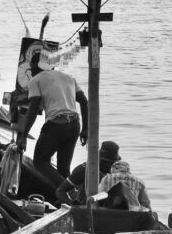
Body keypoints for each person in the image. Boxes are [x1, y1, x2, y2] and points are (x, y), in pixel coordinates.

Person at [16, 52, 88, 182]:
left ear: (35, 65)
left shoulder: (35, 80)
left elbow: (33, 109)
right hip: (74, 125)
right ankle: (66, 199)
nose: (30, 70)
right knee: (63, 168)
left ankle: (68, 191)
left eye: (31, 67)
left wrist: (24, 136)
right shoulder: (68, 77)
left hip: (56, 124)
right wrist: (86, 129)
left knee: (40, 161)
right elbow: (84, 101)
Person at [56, 140, 121, 205]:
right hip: (85, 207)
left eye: (112, 163)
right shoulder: (83, 169)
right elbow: (60, 191)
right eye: (105, 162)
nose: (108, 166)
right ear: (97, 158)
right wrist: (71, 204)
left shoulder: (120, 173)